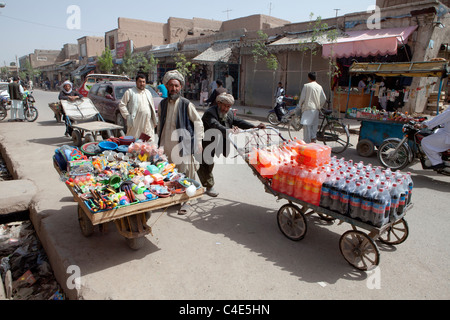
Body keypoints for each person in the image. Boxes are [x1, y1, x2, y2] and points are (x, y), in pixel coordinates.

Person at [198, 93, 265, 197]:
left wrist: (253, 126)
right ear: (219, 103)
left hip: (216, 141)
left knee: (207, 163)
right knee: (205, 163)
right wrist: (228, 130)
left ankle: (203, 182)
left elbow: (238, 121)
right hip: (204, 141)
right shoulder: (210, 113)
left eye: (228, 106)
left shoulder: (228, 113)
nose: (226, 109)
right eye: (224, 106)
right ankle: (209, 186)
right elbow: (215, 125)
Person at [158, 70, 204, 215]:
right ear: (166, 86)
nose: (174, 88)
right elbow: (160, 124)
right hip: (167, 143)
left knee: (186, 173)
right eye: (171, 85)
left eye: (176, 86)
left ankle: (186, 201)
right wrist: (159, 144)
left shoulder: (186, 104)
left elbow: (198, 122)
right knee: (170, 173)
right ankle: (173, 198)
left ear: (181, 87)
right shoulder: (162, 104)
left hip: (183, 144)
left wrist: (199, 141)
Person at [118, 73, 158, 142]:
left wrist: (154, 121)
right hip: (135, 122)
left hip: (147, 122)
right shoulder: (130, 92)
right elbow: (122, 105)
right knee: (134, 143)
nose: (142, 84)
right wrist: (127, 116)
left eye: (143, 82)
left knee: (148, 143)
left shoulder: (148, 92)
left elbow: (152, 107)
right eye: (140, 81)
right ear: (136, 82)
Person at [297, 72, 327, 144]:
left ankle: (307, 143)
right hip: (316, 109)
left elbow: (302, 98)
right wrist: (320, 106)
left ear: (309, 78)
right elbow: (324, 98)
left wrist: (299, 105)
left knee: (307, 126)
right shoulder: (319, 87)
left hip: (308, 108)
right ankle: (313, 140)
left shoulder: (306, 86)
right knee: (314, 125)